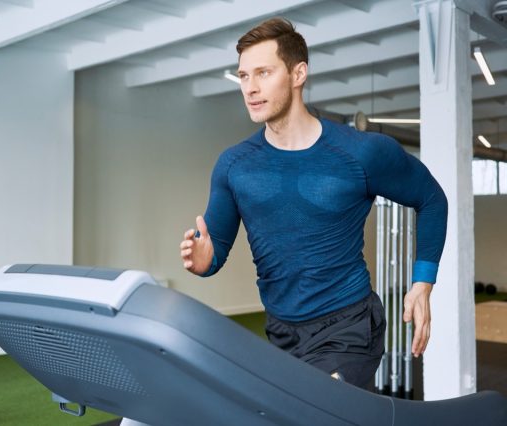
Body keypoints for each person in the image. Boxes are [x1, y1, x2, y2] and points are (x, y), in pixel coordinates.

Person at [179, 17, 447, 389]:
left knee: (318, 412)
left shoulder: (362, 152)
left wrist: (423, 283)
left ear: (298, 73)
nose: (250, 88)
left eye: (263, 73)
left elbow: (431, 198)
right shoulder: (234, 165)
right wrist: (204, 259)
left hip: (349, 326)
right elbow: (215, 250)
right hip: (281, 331)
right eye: (243, 76)